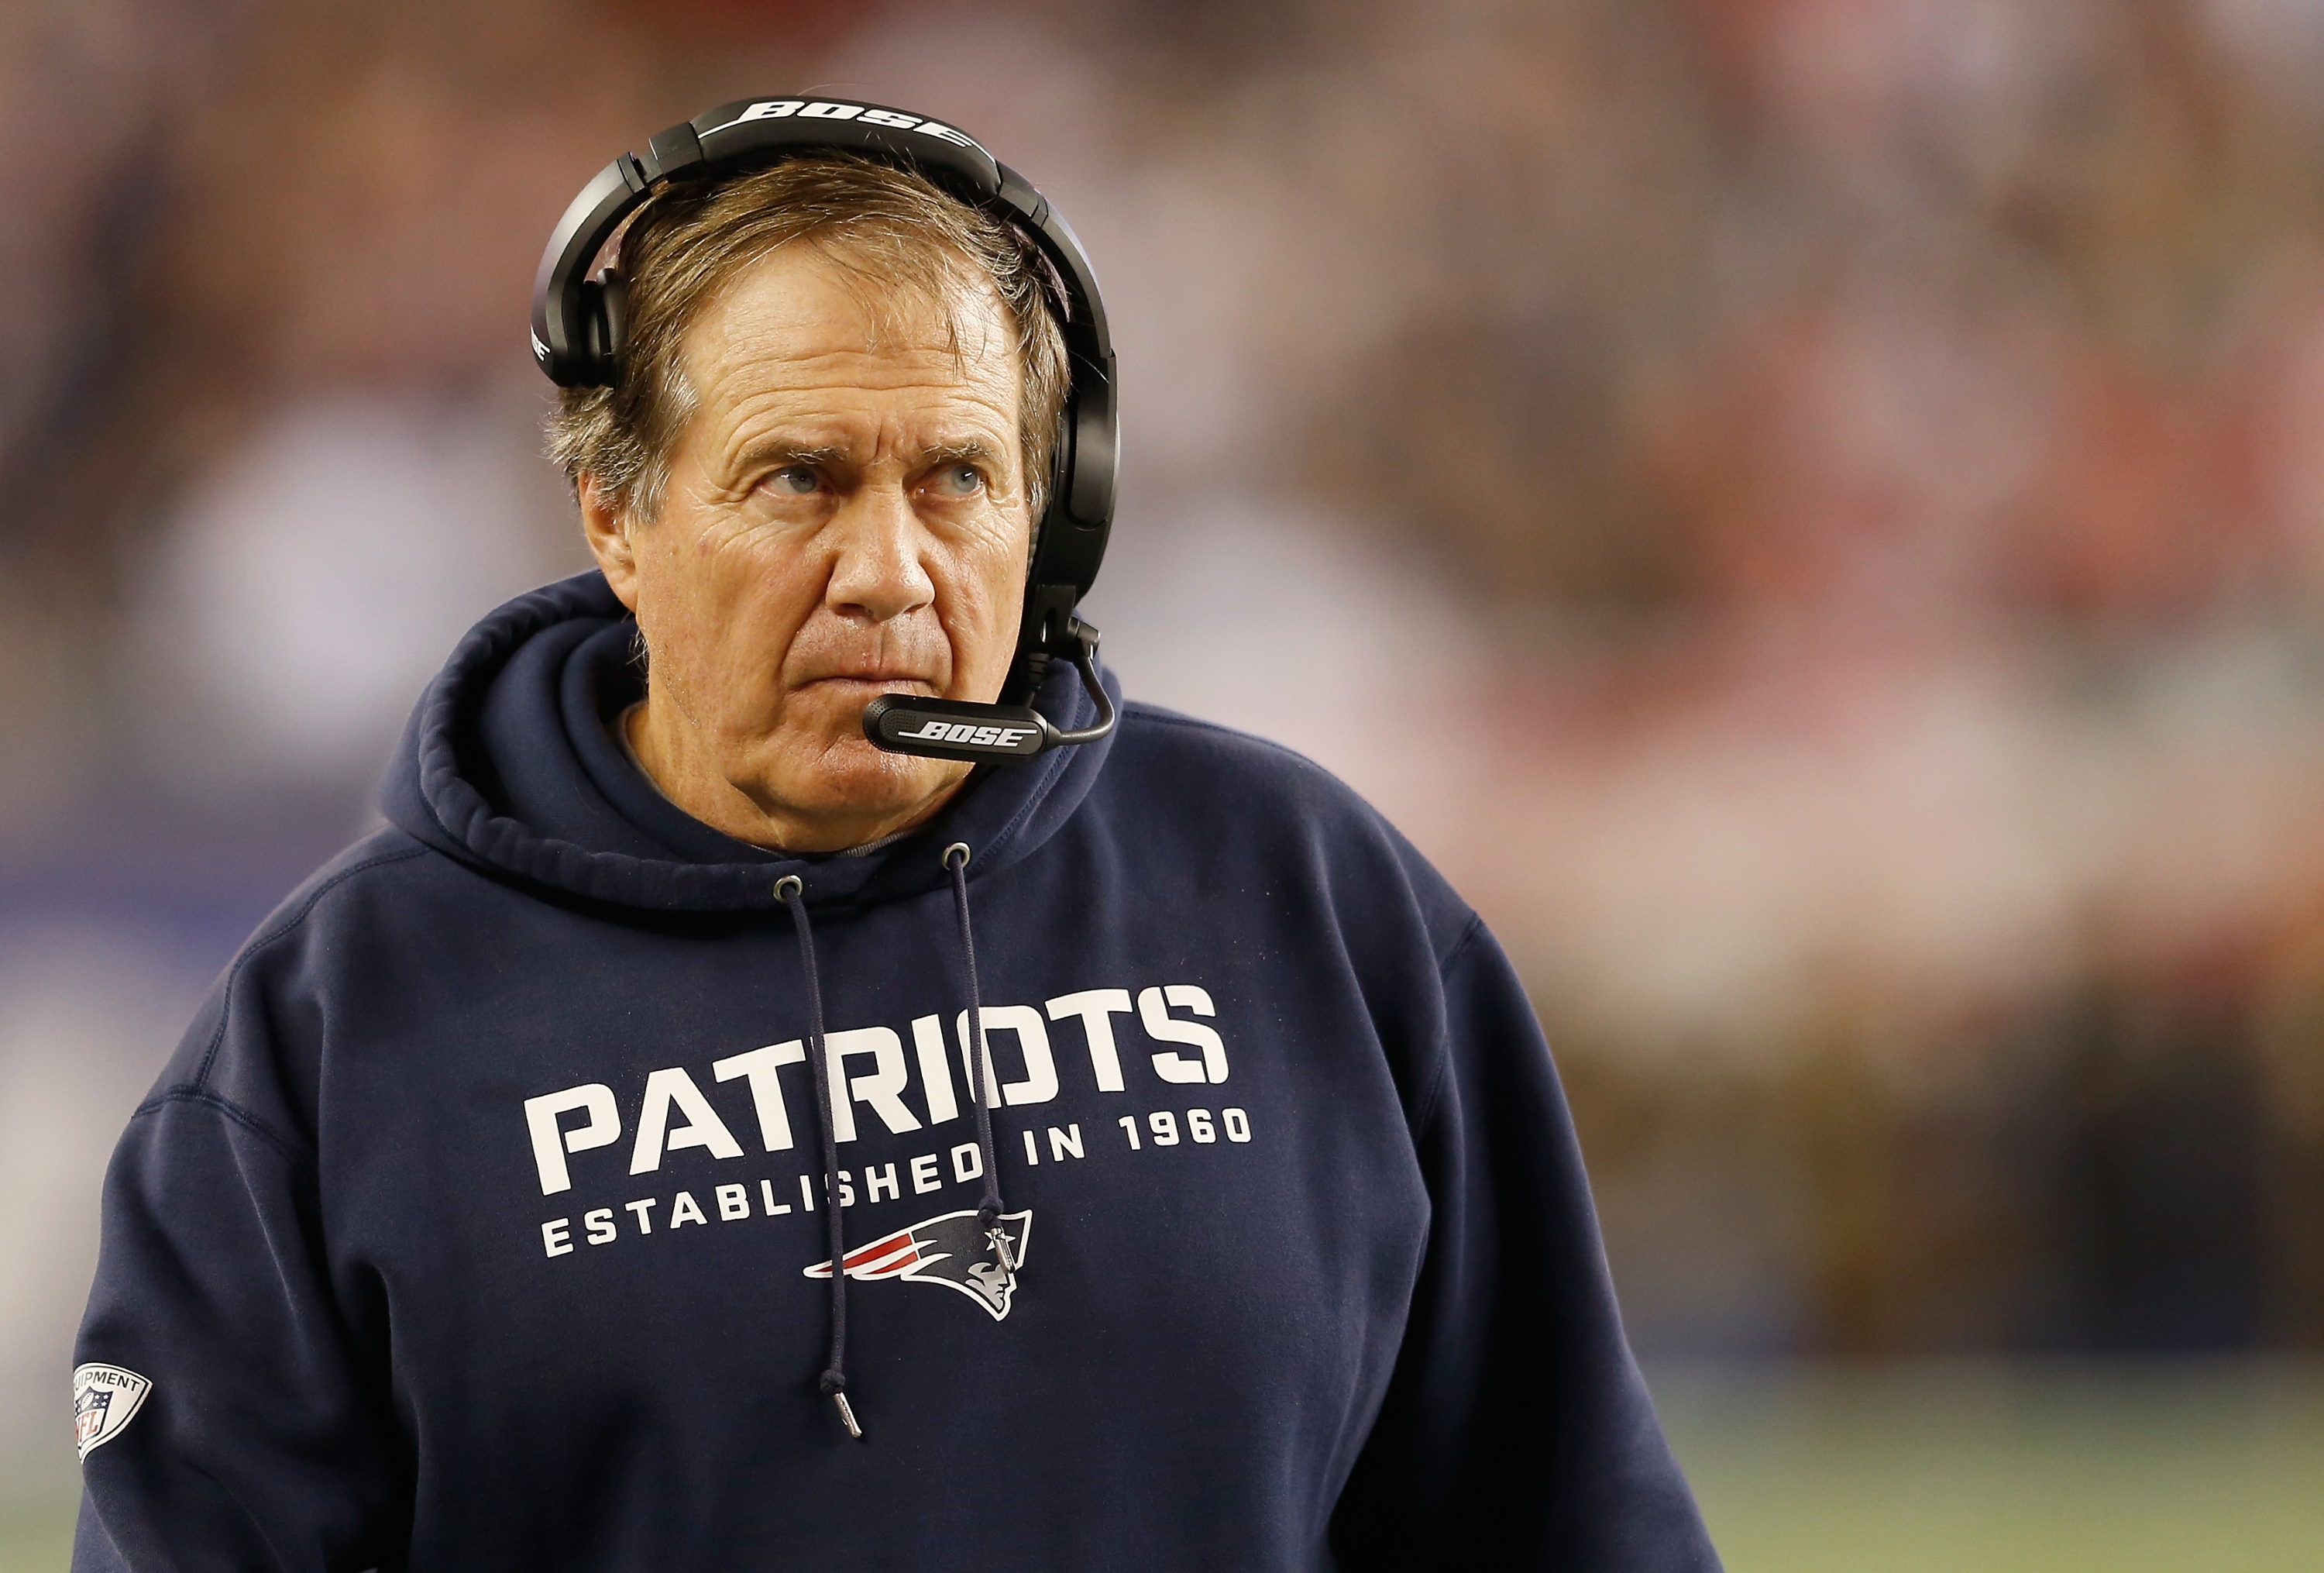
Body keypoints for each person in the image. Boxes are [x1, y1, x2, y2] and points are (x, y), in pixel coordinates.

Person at [70, 98, 1721, 1571]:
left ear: (1052, 512)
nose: (889, 571)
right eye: (799, 478)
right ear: (618, 515)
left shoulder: (1307, 902)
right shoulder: (325, 1041)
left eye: (956, 479)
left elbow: (1567, 1516)